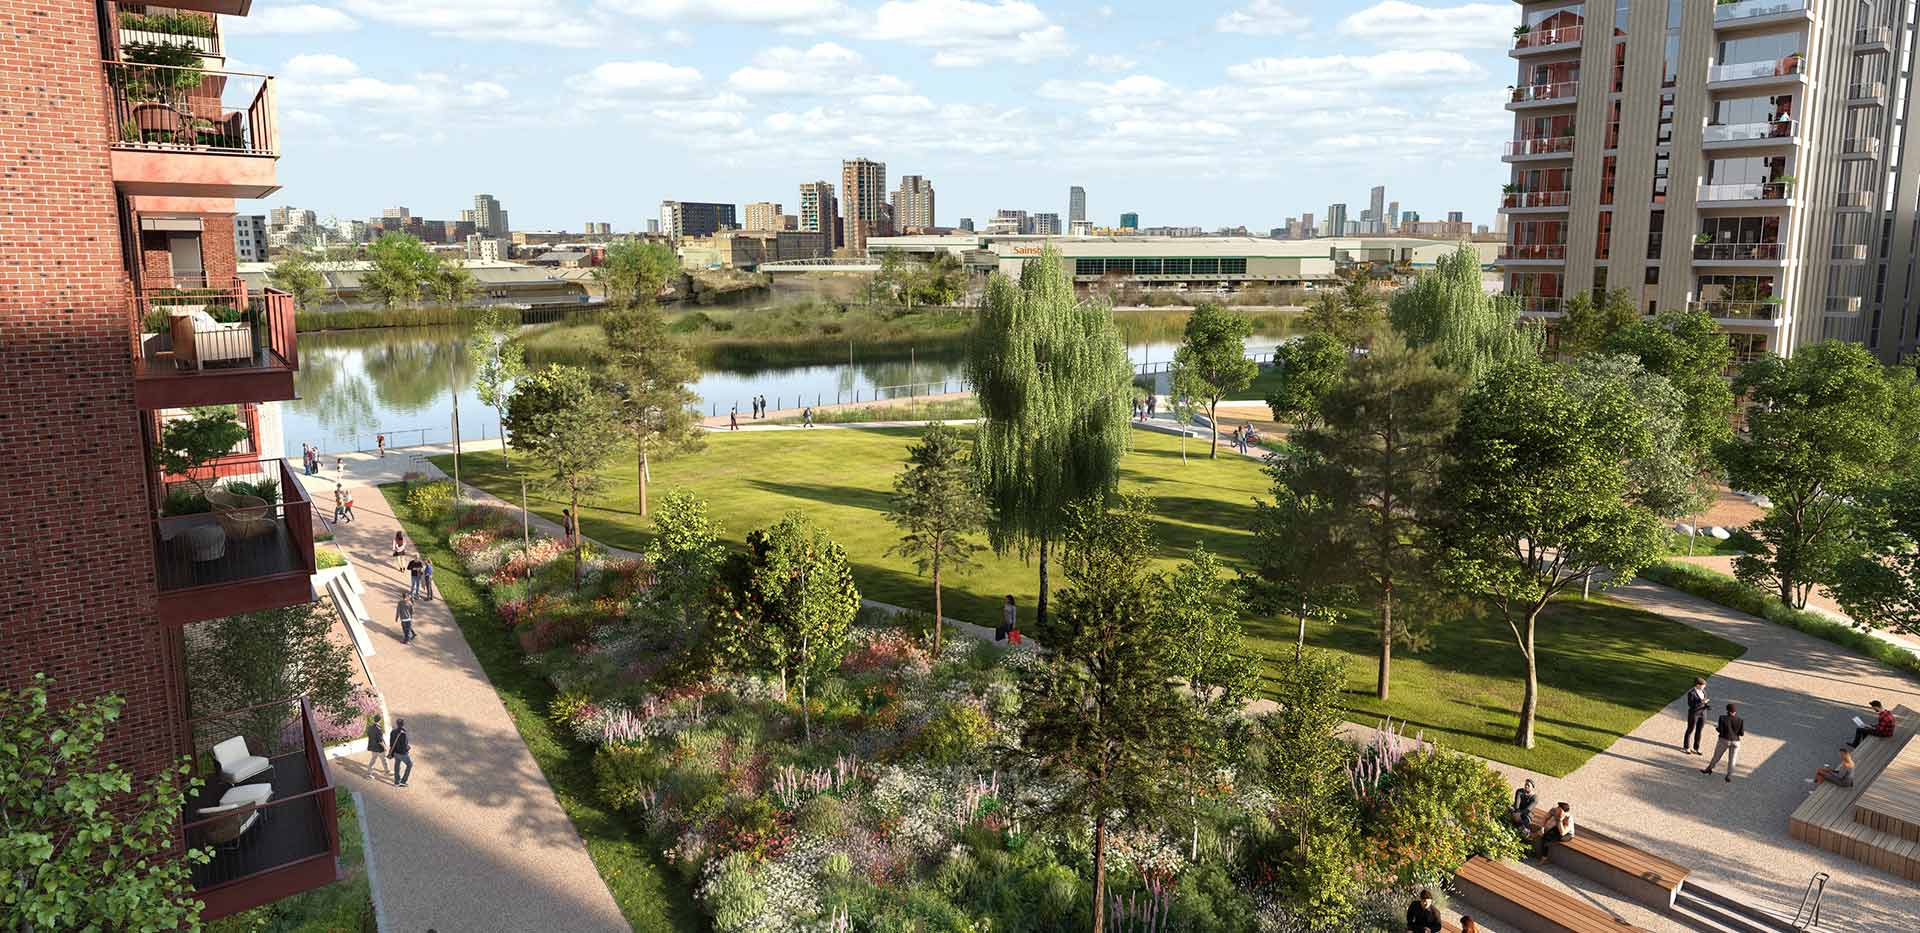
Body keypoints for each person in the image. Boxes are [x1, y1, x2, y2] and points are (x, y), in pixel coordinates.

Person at [1702, 701, 1745, 782]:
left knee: (1717, 756)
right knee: (1732, 759)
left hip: (1724, 740)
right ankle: (1729, 775)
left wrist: (1716, 727)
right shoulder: (1740, 720)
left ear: (1727, 710)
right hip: (1736, 742)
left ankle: (1709, 769)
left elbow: (1720, 730)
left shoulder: (1722, 718)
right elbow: (1741, 733)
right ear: (1735, 712)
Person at [1683, 677, 1709, 756]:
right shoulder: (1691, 693)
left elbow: (1704, 701)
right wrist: (1701, 702)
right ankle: (1687, 746)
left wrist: (1706, 705)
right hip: (1694, 713)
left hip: (1703, 713)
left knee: (1699, 730)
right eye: (1703, 685)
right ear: (1698, 685)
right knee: (1690, 729)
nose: (1704, 687)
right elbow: (1691, 705)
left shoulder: (1704, 691)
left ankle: (1696, 747)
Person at [388, 718, 412, 787]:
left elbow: (391, 743)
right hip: (402, 754)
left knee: (397, 766)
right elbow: (405, 746)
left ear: (397, 724)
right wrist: (408, 748)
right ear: (403, 724)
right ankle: (403, 781)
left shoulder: (392, 732)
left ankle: (396, 782)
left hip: (395, 753)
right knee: (409, 765)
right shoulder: (404, 734)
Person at [365, 715, 389, 780]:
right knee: (384, 759)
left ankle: (369, 774)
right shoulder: (378, 729)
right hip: (379, 748)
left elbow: (370, 736)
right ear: (380, 720)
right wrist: (385, 747)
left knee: (373, 761)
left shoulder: (370, 728)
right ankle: (386, 771)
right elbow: (380, 740)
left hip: (373, 748)